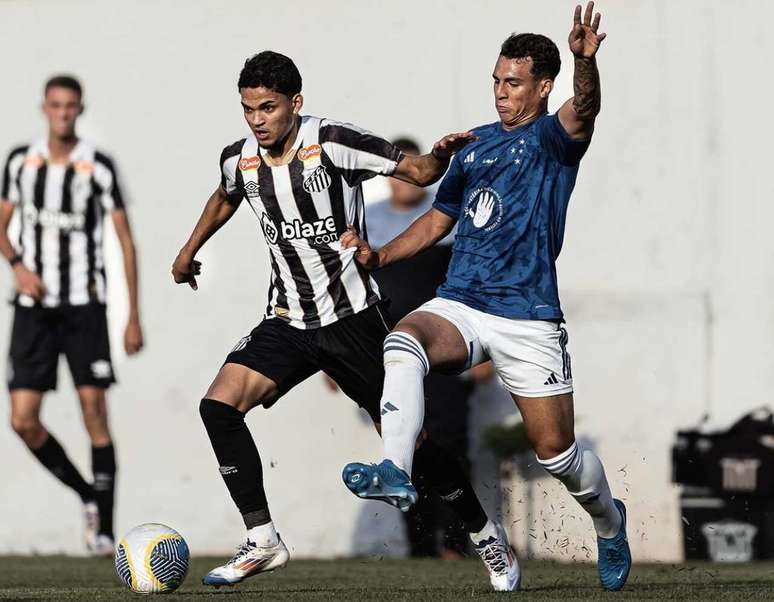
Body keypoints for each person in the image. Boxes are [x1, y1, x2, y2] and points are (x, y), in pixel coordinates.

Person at [171, 51, 512, 590]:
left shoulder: (332, 142)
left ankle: (487, 537)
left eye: (267, 107)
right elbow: (224, 195)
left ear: (295, 103)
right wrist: (190, 249)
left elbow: (418, 172)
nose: (257, 120)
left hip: (353, 319)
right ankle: (263, 540)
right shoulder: (240, 159)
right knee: (218, 406)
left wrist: (439, 157)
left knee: (413, 447)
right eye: (247, 110)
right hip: (287, 319)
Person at [341, 3, 631, 592]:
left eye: (513, 82)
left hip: (527, 317)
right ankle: (395, 468)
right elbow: (435, 223)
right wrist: (379, 255)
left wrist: (583, 62)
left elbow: (588, 108)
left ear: (542, 87)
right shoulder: (472, 148)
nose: (501, 92)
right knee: (403, 341)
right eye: (496, 80)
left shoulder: (554, 138)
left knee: (556, 454)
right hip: (462, 303)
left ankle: (608, 521)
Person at [0, 75, 143, 555]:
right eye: (56, 106)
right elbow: (1, 227)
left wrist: (131, 316)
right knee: (22, 420)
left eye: (71, 107)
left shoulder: (97, 166)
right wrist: (19, 266)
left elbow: (125, 240)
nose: (63, 114)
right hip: (33, 310)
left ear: (79, 110)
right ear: (45, 108)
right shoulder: (21, 161)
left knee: (94, 411)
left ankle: (104, 527)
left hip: (85, 306)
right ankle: (87, 494)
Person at [366, 137, 491, 559]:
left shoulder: (444, 215)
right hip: (392, 350)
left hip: (444, 344)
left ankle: (458, 540)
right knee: (404, 441)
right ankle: (419, 543)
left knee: (452, 439)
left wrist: (483, 348)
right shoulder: (370, 220)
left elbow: (470, 277)